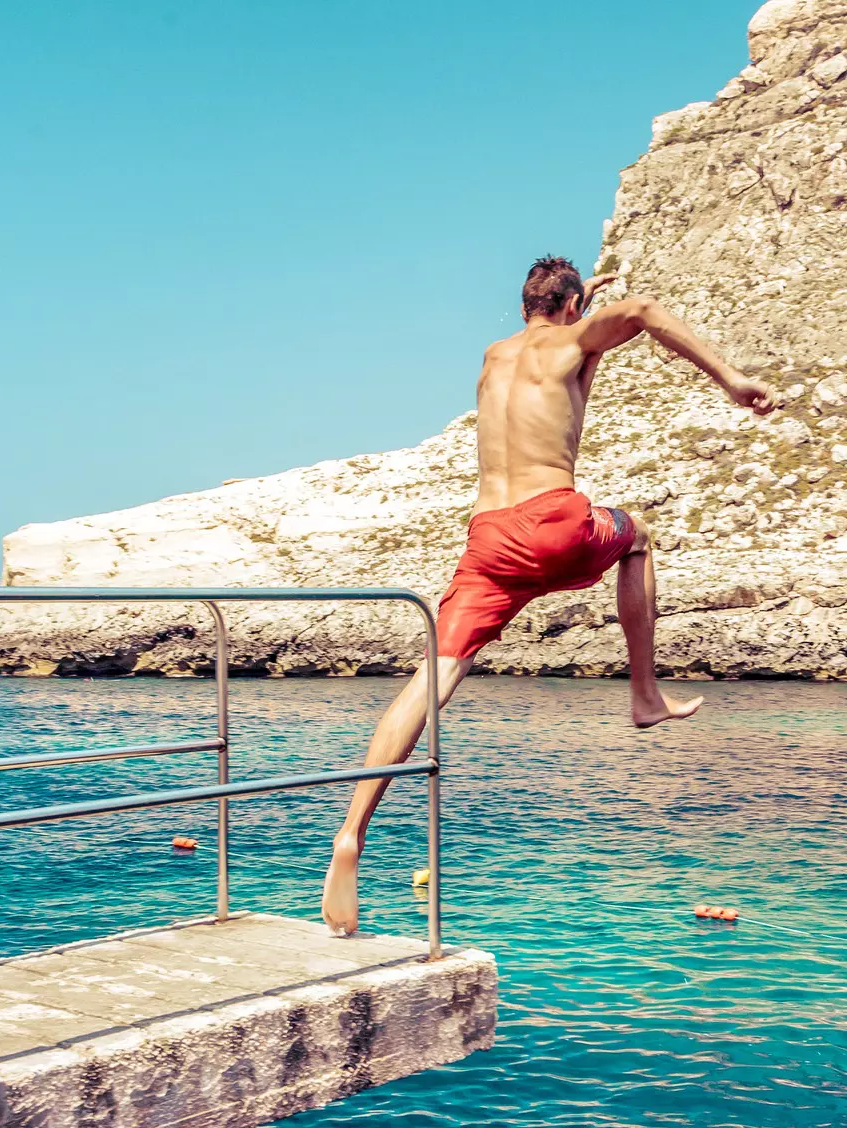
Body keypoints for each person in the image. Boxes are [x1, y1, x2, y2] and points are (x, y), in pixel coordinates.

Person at [320, 255, 778, 934]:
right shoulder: (572, 339)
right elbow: (646, 313)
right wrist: (732, 379)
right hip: (554, 520)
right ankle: (645, 696)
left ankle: (351, 831)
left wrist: (574, 303)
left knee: (428, 683)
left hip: (488, 538)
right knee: (640, 535)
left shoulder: (495, 353)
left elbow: (555, 340)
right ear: (571, 309)